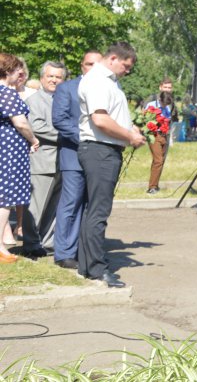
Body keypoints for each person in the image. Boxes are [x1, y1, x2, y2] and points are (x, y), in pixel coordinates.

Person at [77, 42, 146, 287]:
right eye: (125, 66)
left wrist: (130, 128)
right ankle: (96, 268)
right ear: (114, 58)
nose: (127, 71)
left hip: (102, 149)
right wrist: (130, 137)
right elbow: (100, 119)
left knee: (93, 210)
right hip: (100, 150)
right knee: (98, 211)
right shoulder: (99, 80)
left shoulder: (108, 80)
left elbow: (109, 116)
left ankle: (88, 265)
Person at [52, 50, 101, 269]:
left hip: (100, 157)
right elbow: (60, 120)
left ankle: (85, 249)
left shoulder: (108, 89)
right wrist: (85, 138)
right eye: (89, 64)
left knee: (92, 204)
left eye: (97, 65)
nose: (93, 68)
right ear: (82, 65)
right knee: (70, 203)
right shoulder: (66, 88)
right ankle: (64, 253)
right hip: (73, 154)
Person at [21, 61, 67, 257]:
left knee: (53, 208)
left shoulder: (63, 99)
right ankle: (31, 244)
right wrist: (69, 135)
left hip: (62, 161)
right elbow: (37, 127)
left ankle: (47, 243)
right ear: (41, 78)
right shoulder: (35, 101)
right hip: (42, 162)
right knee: (36, 207)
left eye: (58, 77)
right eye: (50, 76)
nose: (54, 80)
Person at [0, 54, 40, 263]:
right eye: (17, 70)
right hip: (9, 152)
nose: (20, 74)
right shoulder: (7, 93)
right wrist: (33, 140)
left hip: (4, 149)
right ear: (8, 72)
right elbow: (21, 123)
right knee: (6, 198)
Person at [145, 91, 177, 194]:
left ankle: (155, 184)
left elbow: (168, 121)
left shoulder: (167, 108)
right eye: (164, 104)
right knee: (158, 160)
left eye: (167, 104)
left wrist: (170, 137)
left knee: (160, 161)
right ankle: (152, 187)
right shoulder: (151, 105)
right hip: (154, 135)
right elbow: (145, 120)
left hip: (164, 135)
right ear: (160, 100)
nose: (165, 106)